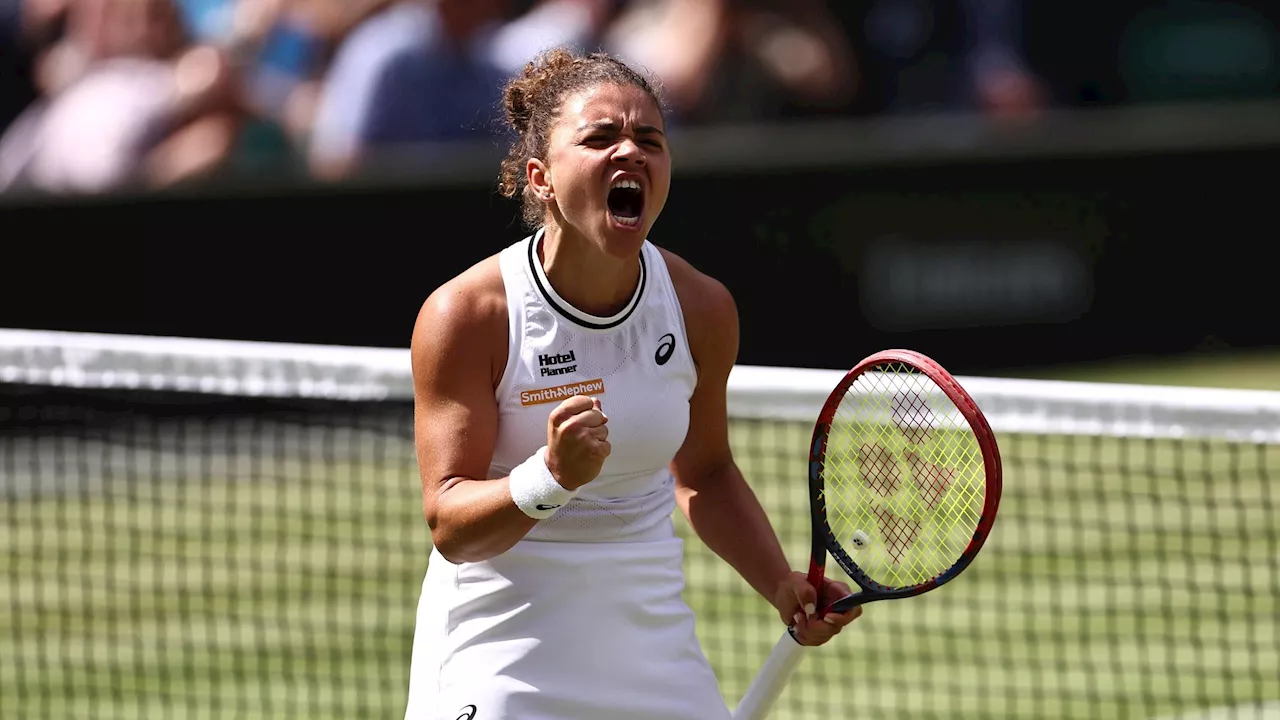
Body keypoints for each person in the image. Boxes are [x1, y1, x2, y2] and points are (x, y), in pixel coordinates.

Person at [403, 47, 861, 719]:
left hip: (650, 641)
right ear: (541, 178)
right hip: (500, 646)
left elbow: (704, 470)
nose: (631, 152)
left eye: (650, 139)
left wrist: (780, 583)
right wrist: (551, 477)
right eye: (599, 138)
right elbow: (450, 524)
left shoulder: (701, 308)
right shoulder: (468, 316)